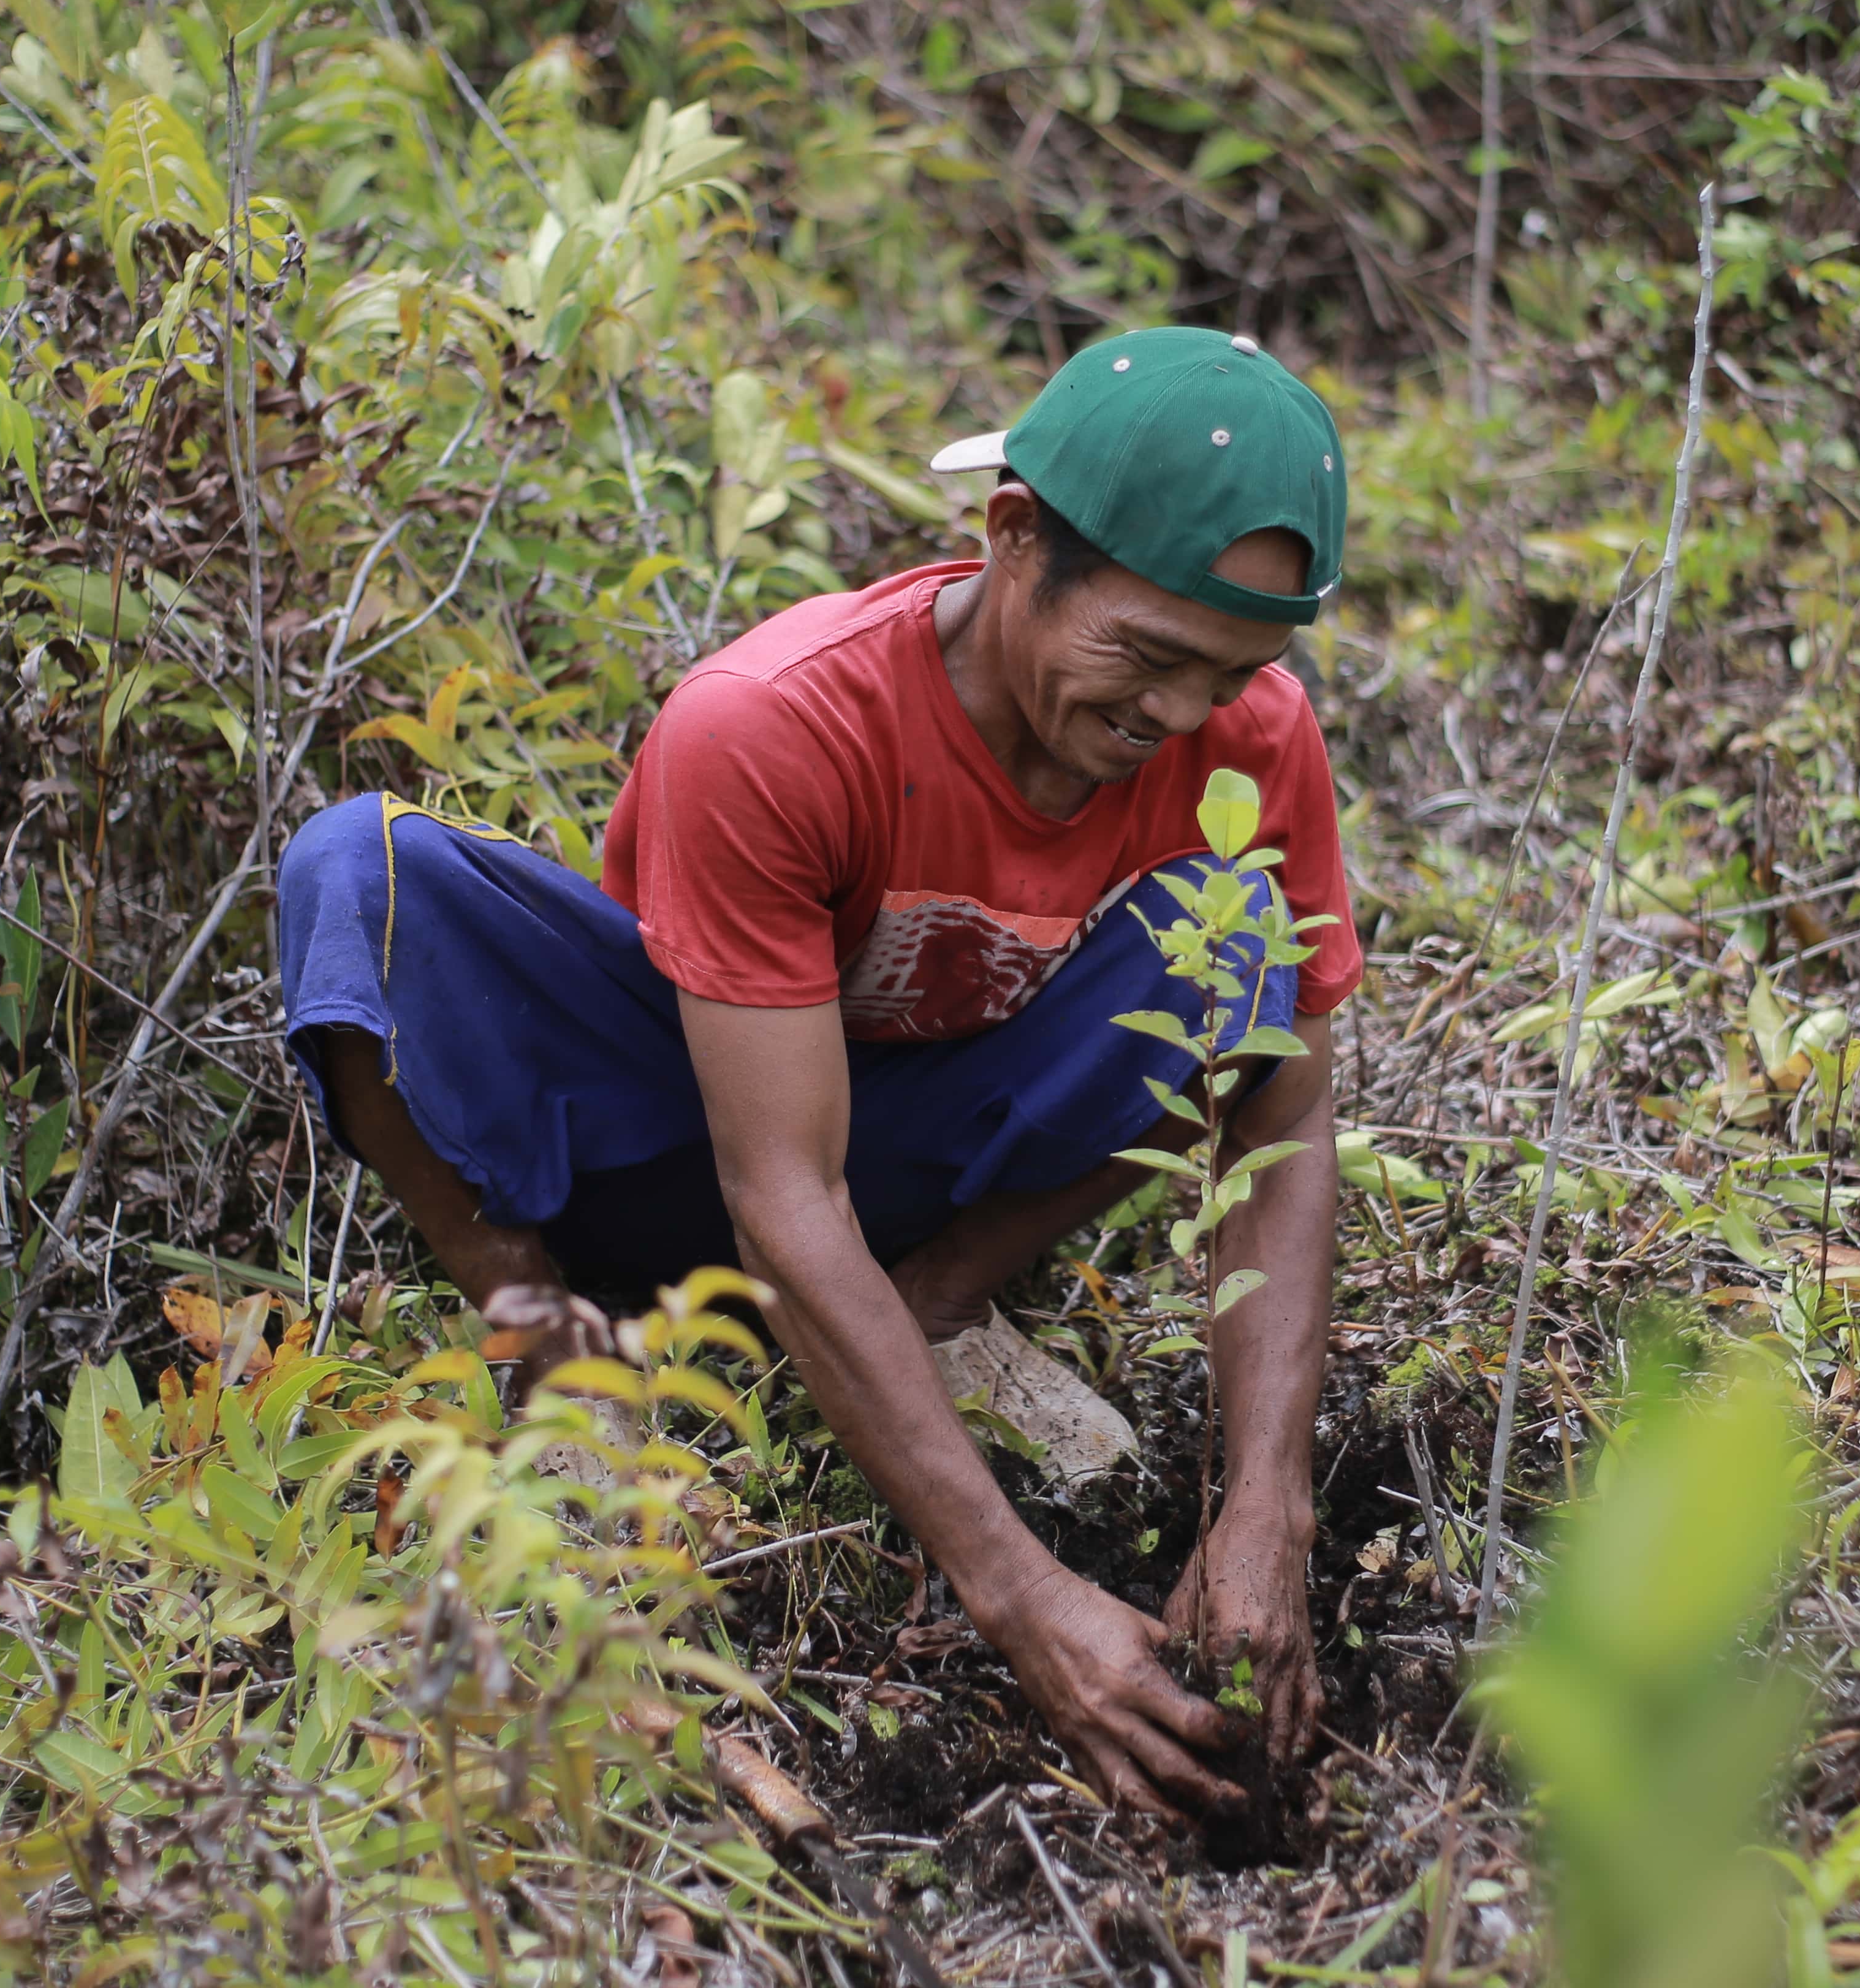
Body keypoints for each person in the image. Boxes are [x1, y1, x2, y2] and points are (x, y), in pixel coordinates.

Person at [276, 326, 1363, 1821]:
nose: (1176, 716)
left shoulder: (1253, 743)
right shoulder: (779, 722)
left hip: (922, 1154)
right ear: (1014, 536)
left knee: (1239, 946)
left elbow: (1286, 1113)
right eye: (1146, 655)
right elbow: (779, 1184)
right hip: (684, 1130)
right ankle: (550, 1349)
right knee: (357, 874)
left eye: (1229, 672)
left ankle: (936, 1305)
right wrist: (1025, 1596)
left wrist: (1267, 1510)